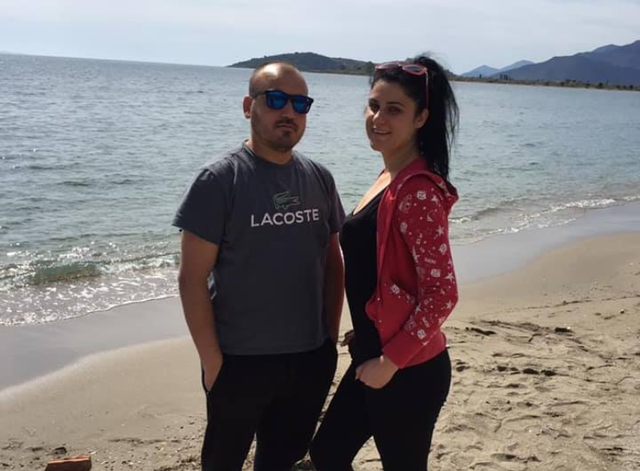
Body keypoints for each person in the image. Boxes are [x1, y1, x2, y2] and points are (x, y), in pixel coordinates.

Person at [173, 62, 345, 471]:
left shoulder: (319, 178)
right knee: (222, 462)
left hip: (309, 357)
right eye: (276, 100)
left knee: (282, 461)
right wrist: (213, 363)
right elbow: (191, 279)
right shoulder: (219, 180)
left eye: (300, 104)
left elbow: (332, 261)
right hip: (238, 360)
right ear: (249, 106)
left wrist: (329, 340)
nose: (289, 112)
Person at [310, 55, 459, 471]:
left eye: (394, 109)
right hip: (375, 350)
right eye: (374, 105)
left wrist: (390, 361)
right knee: (327, 454)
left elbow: (442, 293)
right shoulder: (389, 177)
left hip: (407, 368)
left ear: (421, 118)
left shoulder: (418, 193)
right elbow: (385, 271)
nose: (378, 118)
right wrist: (370, 324)